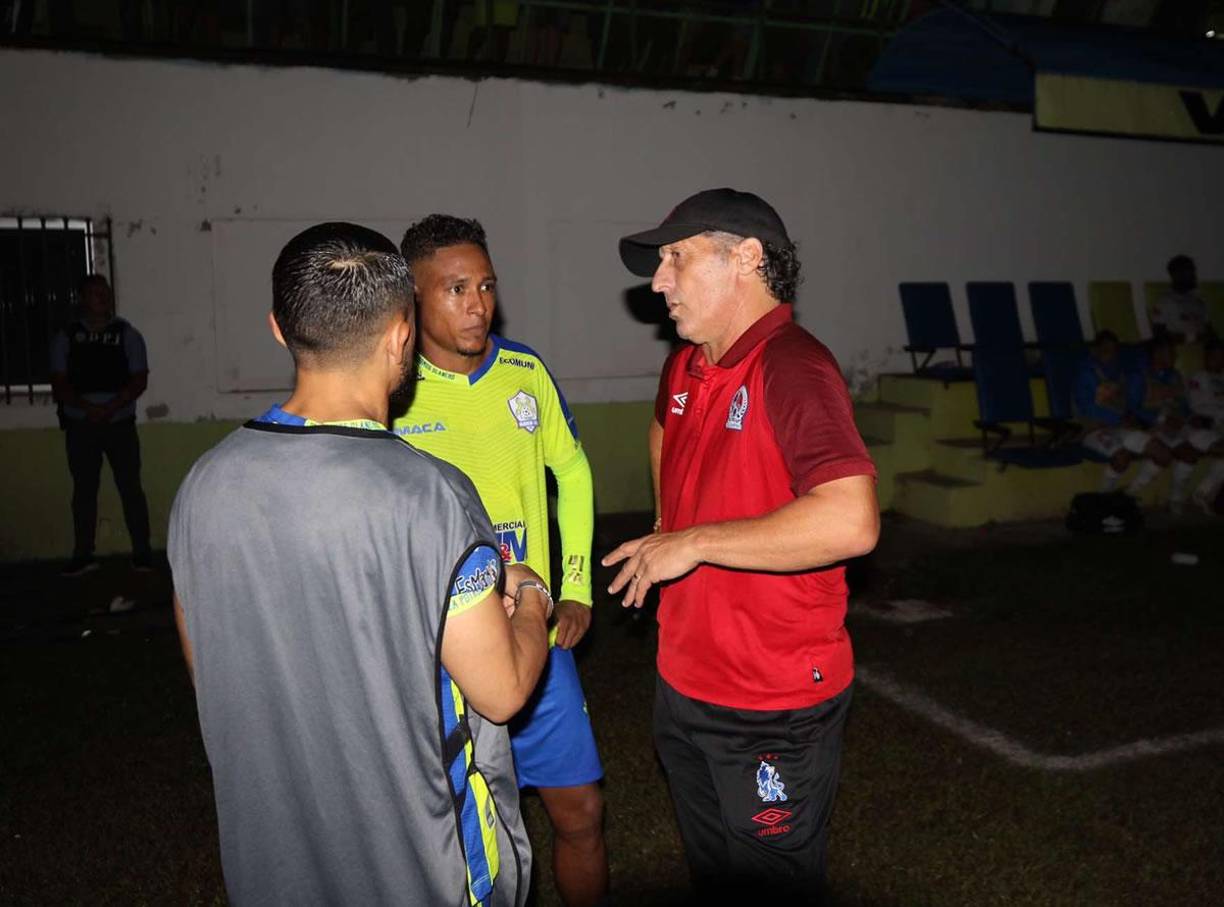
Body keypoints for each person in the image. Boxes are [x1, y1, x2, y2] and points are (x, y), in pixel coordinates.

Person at [168, 222, 550, 906]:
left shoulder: (202, 486)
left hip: (272, 870)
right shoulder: (430, 494)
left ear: (280, 330)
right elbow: (502, 688)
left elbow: (214, 676)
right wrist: (529, 596)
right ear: (403, 334)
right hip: (426, 872)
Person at [604, 188, 879, 900]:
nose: (658, 280)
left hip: (772, 702)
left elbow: (851, 519)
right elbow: (664, 430)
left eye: (676, 258)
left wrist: (694, 540)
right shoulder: (688, 365)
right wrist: (668, 523)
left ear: (747, 258)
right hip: (684, 684)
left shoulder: (792, 366)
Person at [393, 215, 608, 907]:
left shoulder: (524, 371)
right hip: (443, 662)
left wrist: (575, 586)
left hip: (536, 641)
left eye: (485, 284)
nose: (477, 303)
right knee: (452, 843)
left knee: (580, 812)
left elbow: (571, 472)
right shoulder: (391, 397)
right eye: (455, 288)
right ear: (412, 298)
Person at [49, 274, 152, 576]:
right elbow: (59, 381)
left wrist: (109, 407)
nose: (102, 298)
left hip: (119, 423)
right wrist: (88, 409)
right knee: (84, 491)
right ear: (82, 299)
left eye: (105, 292)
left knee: (131, 488)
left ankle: (142, 553)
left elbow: (139, 379)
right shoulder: (66, 336)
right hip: (81, 426)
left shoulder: (127, 334)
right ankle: (83, 554)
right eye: (95, 293)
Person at [1073, 330, 1172, 497]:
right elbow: (1086, 408)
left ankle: (1129, 494)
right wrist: (1119, 418)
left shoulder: (1122, 375)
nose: (1110, 357)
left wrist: (1151, 420)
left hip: (1121, 428)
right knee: (1122, 457)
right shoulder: (1085, 374)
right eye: (1105, 351)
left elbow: (1133, 407)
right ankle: (1104, 500)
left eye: (1113, 352)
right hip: (1094, 430)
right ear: (1096, 351)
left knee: (1163, 453)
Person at [1128, 336, 1198, 512]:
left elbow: (1184, 405)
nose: (1175, 356)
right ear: (1158, 354)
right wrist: (1160, 419)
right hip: (1150, 426)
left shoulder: (1174, 376)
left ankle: (1176, 497)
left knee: (1190, 453)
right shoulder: (1139, 376)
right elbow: (1133, 408)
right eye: (1171, 353)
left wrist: (1184, 417)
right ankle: (1129, 494)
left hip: (1174, 426)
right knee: (1163, 454)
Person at [1185, 339, 1224, 512]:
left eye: (1220, 356)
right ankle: (1202, 494)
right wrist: (1219, 414)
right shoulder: (1198, 377)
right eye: (1213, 356)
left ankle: (1205, 494)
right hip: (1203, 426)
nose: (1217, 360)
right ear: (1206, 357)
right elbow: (1196, 406)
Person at [1151, 254, 1210, 343]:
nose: (1194, 277)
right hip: (1179, 345)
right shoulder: (1165, 301)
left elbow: (1208, 327)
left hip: (1205, 346)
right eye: (1189, 273)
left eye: (1193, 272)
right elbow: (1159, 332)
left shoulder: (1198, 301)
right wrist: (1191, 339)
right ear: (1177, 275)